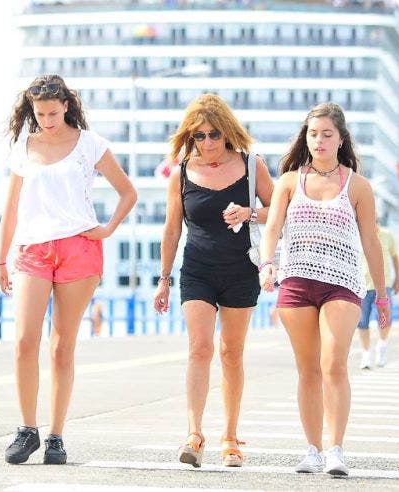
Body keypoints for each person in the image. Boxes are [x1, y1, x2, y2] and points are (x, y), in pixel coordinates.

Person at [0, 74, 137, 465]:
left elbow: (128, 192)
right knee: (25, 340)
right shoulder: (25, 146)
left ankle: (56, 436)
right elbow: (11, 208)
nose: (47, 120)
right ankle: (27, 430)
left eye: (53, 113)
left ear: (67, 106)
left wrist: (107, 229)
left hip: (79, 249)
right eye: (39, 114)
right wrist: (0, 258)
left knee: (62, 346)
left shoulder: (89, 144)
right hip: (33, 250)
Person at [257, 102, 389, 476]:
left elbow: (371, 242)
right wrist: (268, 264)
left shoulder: (358, 186)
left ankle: (335, 449)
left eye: (327, 134)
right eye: (313, 134)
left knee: (333, 365)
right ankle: (312, 449)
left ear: (341, 138)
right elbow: (271, 229)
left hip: (342, 285)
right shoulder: (288, 181)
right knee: (307, 370)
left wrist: (380, 295)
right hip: (296, 282)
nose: (319, 140)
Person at [152, 94, 273, 468]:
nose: (208, 142)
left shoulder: (252, 166)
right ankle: (194, 433)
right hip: (197, 270)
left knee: (231, 353)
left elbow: (277, 211)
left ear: (228, 132)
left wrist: (251, 212)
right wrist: (164, 279)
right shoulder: (182, 172)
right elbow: (172, 230)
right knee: (199, 349)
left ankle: (231, 437)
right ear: (191, 137)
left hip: (241, 271)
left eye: (215, 134)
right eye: (200, 135)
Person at [356, 222, 399, 369]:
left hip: (384, 284)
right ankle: (366, 355)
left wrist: (398, 278)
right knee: (362, 322)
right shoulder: (357, 234)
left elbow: (395, 258)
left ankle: (381, 345)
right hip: (363, 285)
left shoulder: (387, 235)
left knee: (383, 319)